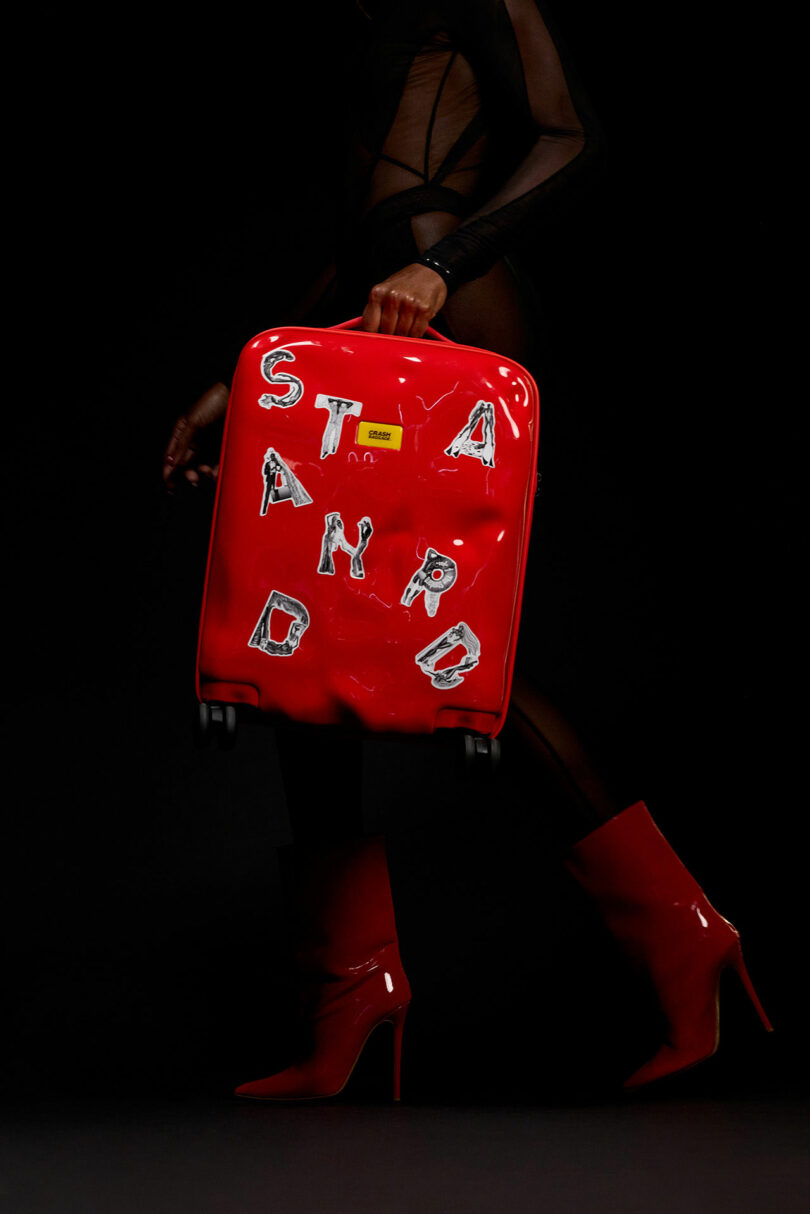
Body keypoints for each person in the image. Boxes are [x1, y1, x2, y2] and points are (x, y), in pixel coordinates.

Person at [162, 1, 771, 1099]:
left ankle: (685, 938)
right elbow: (365, 225)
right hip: (374, 301)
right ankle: (353, 989)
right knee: (302, 655)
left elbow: (574, 137)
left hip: (450, 301)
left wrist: (443, 263)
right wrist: (238, 376)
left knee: (450, 652)